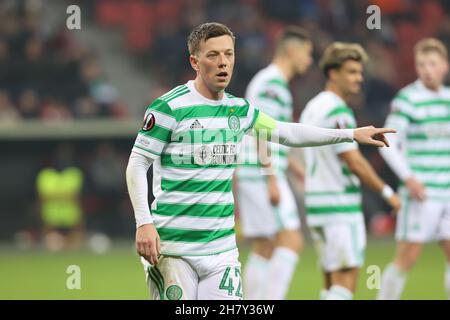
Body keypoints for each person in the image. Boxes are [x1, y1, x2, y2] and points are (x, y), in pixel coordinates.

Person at [126, 22, 395, 300]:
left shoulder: (239, 109)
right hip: (174, 248)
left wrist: (350, 134)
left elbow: (287, 132)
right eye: (213, 55)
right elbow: (137, 163)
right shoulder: (169, 107)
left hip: (222, 251)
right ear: (194, 61)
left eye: (228, 54)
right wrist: (144, 223)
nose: (223, 63)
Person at [299, 42, 401, 300]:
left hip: (317, 204)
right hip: (339, 205)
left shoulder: (312, 107)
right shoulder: (338, 111)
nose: (359, 78)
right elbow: (353, 161)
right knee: (345, 281)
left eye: (360, 72)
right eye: (352, 72)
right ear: (333, 73)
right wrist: (388, 193)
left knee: (330, 281)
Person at [235, 26, 311, 300]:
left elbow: (276, 137)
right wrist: (272, 178)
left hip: (254, 170)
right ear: (292, 51)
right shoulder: (272, 85)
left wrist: (296, 169)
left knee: (264, 246)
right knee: (292, 240)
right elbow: (261, 132)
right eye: (307, 53)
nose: (309, 60)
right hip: (261, 172)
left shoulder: (269, 83)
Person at [377, 38, 450, 300]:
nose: (427, 69)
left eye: (432, 63)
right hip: (421, 193)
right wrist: (409, 178)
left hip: (447, 191)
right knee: (407, 256)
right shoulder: (408, 99)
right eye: (421, 64)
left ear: (445, 66)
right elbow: (387, 144)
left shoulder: (447, 100)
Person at [36, 143, 85, 251]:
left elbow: (76, 198)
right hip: (51, 221)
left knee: (74, 248)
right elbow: (42, 200)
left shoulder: (74, 173)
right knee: (54, 247)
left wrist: (79, 225)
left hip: (71, 220)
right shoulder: (45, 175)